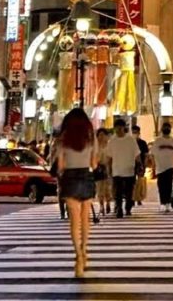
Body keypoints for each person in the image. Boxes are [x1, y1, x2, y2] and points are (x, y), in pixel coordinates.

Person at [56, 108, 98, 278]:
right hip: (86, 176)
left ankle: (78, 257)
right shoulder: (91, 137)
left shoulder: (63, 139)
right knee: (85, 218)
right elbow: (94, 164)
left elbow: (60, 166)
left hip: (70, 177)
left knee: (74, 221)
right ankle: (84, 250)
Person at [105, 123, 140, 217]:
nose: (119, 130)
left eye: (120, 128)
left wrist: (140, 165)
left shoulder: (131, 140)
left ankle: (128, 207)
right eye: (117, 128)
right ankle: (119, 208)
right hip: (117, 169)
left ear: (124, 128)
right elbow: (109, 157)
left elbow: (137, 154)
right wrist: (108, 169)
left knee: (129, 190)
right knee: (118, 191)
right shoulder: (112, 141)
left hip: (129, 169)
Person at [151, 123, 173, 213]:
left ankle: (168, 203)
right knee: (161, 186)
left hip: (170, 166)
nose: (166, 129)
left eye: (168, 127)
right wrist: (153, 166)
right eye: (165, 127)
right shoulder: (158, 141)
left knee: (168, 185)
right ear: (162, 129)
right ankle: (162, 203)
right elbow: (152, 154)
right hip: (160, 167)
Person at [93, 128, 113, 217]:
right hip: (98, 170)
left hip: (108, 169)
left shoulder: (109, 146)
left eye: (103, 135)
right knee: (99, 189)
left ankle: (108, 203)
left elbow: (112, 157)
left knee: (108, 189)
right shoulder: (95, 147)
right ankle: (101, 206)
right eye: (99, 135)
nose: (101, 137)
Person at [132, 125, 150, 206]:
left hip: (140, 165)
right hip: (131, 165)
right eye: (133, 132)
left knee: (140, 182)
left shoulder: (143, 143)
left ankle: (139, 198)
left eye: (136, 132)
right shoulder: (130, 142)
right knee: (132, 182)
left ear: (139, 133)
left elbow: (146, 155)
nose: (135, 134)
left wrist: (144, 165)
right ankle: (132, 198)